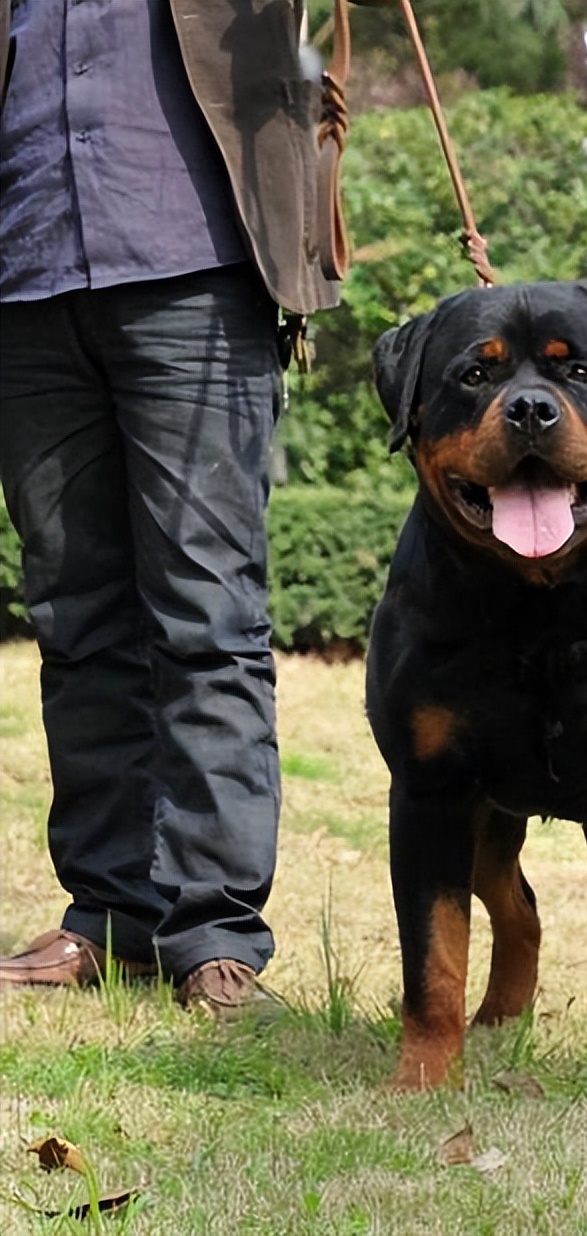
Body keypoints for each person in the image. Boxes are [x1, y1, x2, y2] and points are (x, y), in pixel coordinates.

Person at [0, 0, 343, 1015]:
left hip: (192, 260)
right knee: (74, 614)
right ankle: (109, 912)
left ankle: (216, 932)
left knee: (207, 616)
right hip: (25, 269)